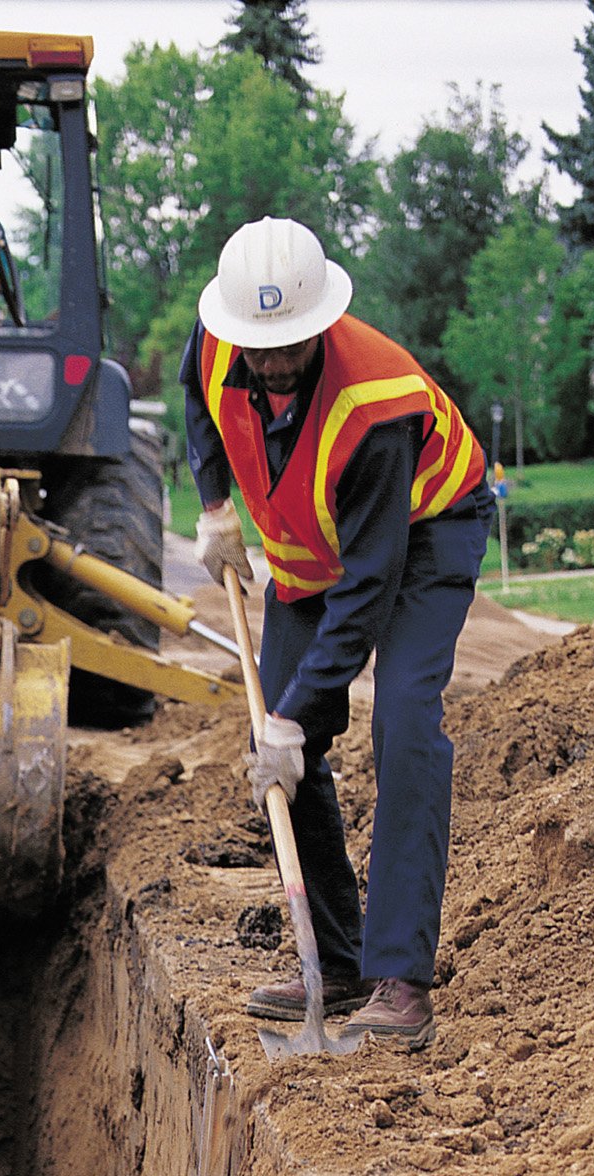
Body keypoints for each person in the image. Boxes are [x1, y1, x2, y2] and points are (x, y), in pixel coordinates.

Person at [182, 217, 492, 1048]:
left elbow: (368, 589)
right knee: (285, 729)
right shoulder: (221, 342)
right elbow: (195, 398)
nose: (275, 361)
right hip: (313, 546)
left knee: (404, 724)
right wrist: (215, 503)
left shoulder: (373, 408)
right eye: (262, 345)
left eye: (293, 344)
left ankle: (401, 977)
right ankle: (341, 961)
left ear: (322, 322)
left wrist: (301, 712)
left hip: (424, 533)